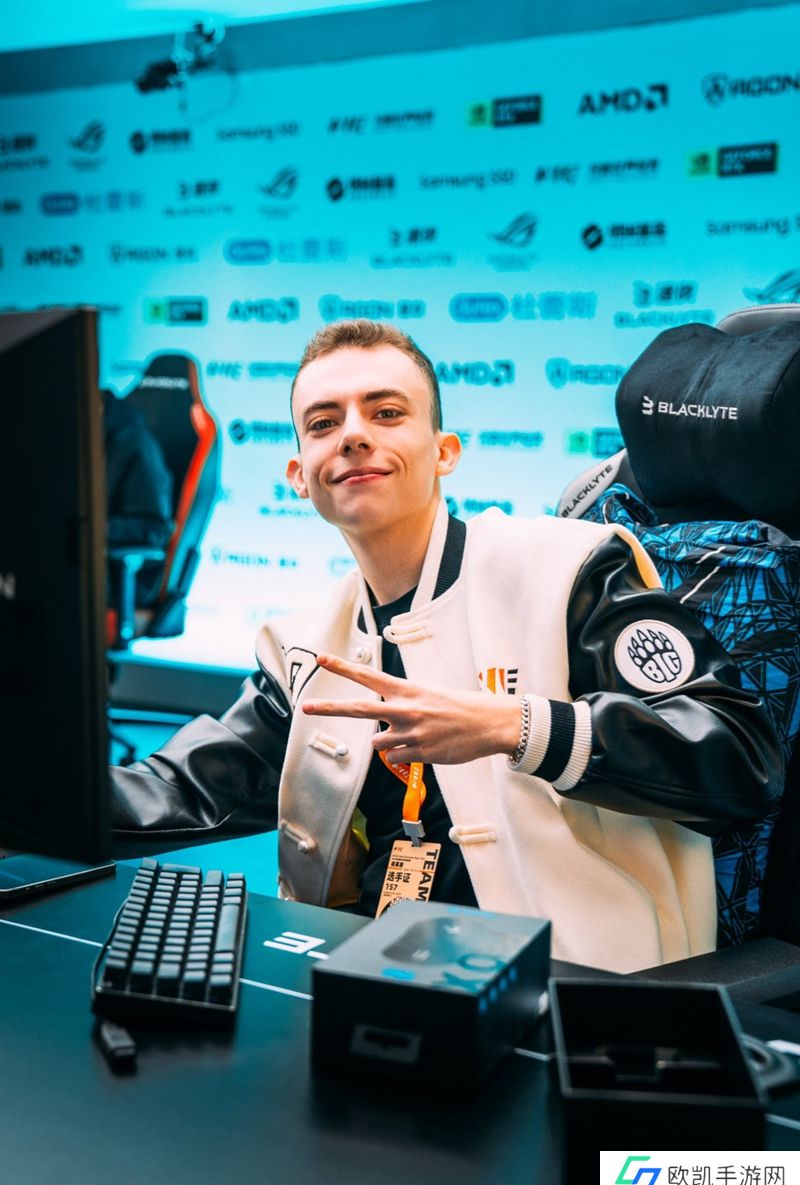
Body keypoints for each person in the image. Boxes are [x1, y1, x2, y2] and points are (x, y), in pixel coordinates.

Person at [111, 320, 782, 972]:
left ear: (445, 453)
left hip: (565, 983)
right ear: (299, 475)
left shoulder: (569, 569)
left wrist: (515, 726)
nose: (352, 435)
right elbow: (183, 790)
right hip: (375, 969)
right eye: (323, 423)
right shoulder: (303, 644)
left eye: (385, 413)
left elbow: (740, 752)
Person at [104, 388, 173, 607]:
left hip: (121, 577)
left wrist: (94, 530)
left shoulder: (134, 444)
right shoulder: (89, 442)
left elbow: (154, 529)